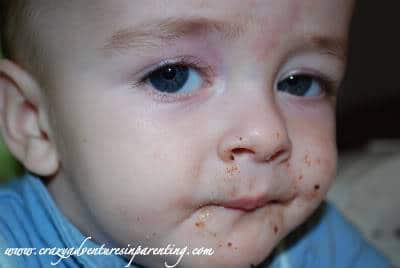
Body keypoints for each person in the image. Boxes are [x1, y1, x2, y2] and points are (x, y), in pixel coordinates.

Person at [0, 0, 392, 267]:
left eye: (300, 82)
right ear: (33, 121)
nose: (269, 134)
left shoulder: (313, 241)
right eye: (172, 77)